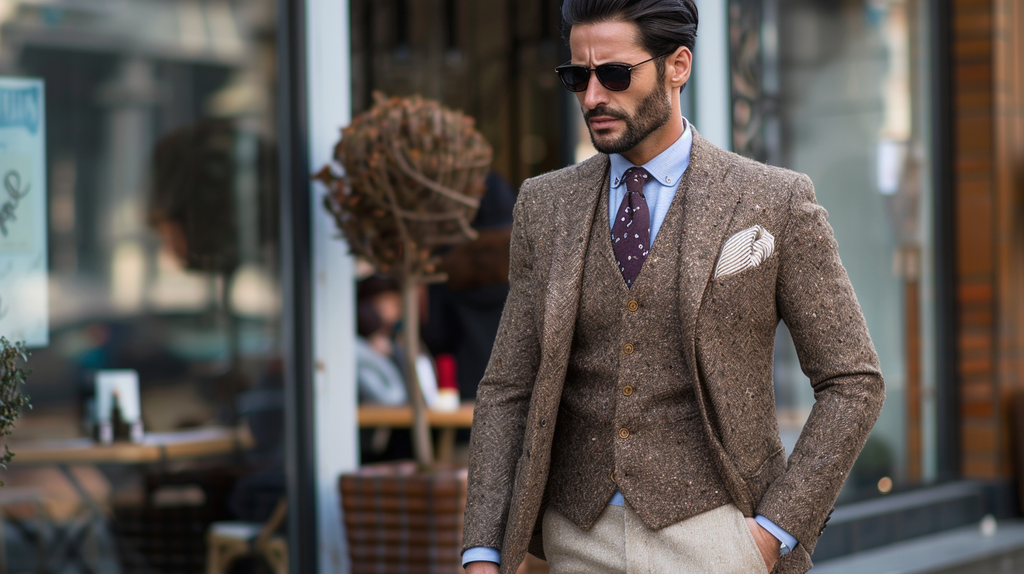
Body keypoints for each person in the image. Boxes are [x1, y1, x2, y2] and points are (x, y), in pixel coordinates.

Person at [461, 1, 885, 573]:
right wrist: (482, 553)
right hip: (574, 541)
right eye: (576, 76)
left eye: (614, 74)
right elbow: (508, 386)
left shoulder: (773, 200)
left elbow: (852, 380)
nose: (592, 98)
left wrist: (773, 533)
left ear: (677, 65)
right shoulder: (545, 204)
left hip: (717, 539)